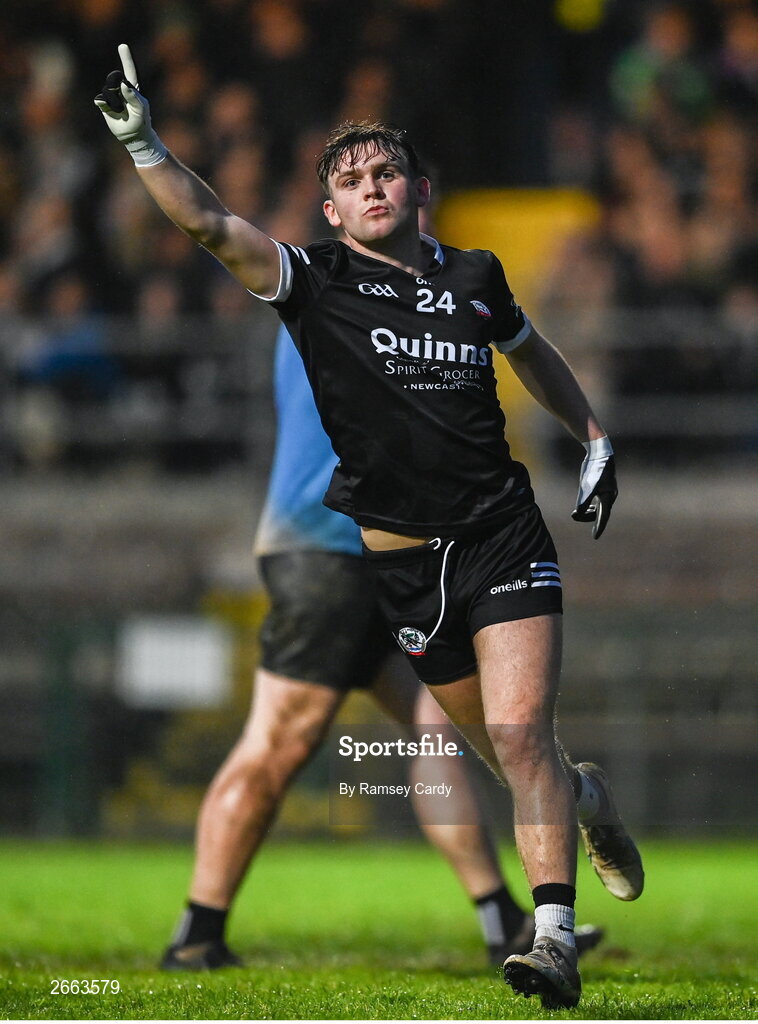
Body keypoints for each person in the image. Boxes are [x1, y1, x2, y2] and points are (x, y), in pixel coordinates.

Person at [96, 46, 643, 1010]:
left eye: (386, 170)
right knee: (499, 754)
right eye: (349, 180)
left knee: (518, 737)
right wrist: (142, 142)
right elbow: (211, 223)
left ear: (419, 188)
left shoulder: (477, 274)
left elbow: (531, 351)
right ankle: (585, 803)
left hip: (501, 535)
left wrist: (591, 431)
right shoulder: (312, 284)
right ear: (331, 213)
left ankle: (546, 937)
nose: (371, 185)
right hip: (395, 568)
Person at [160, 320, 605, 972]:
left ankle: (503, 920)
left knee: (438, 730)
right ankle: (196, 934)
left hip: (394, 551)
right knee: (280, 740)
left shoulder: (340, 288)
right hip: (331, 549)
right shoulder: (341, 291)